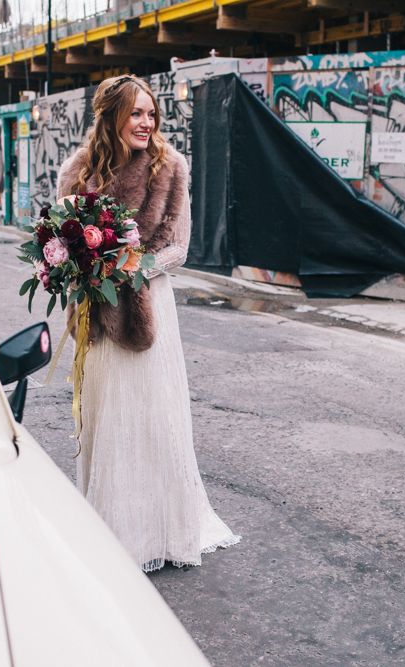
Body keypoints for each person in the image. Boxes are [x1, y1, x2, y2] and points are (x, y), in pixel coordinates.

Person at [56, 75, 240, 573]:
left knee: (152, 419)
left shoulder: (170, 167)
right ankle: (112, 525)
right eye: (135, 113)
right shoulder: (77, 170)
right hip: (96, 314)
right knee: (108, 418)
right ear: (111, 116)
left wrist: (128, 267)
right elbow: (61, 239)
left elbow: (178, 249)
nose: (146, 123)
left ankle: (160, 529)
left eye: (151, 114)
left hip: (148, 312)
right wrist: (76, 266)